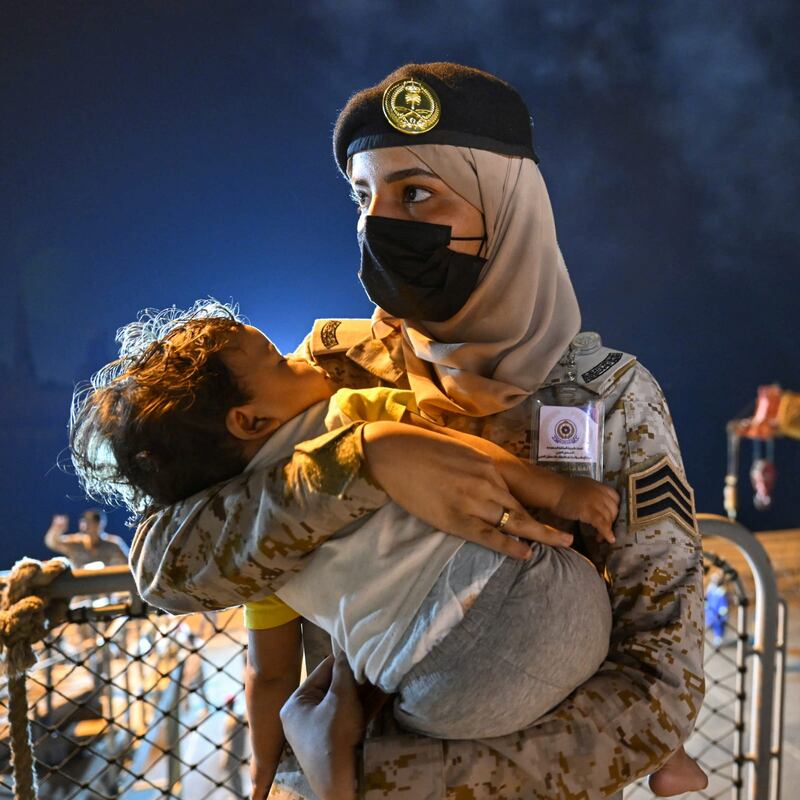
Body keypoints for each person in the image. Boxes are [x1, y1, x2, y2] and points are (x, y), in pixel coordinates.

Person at [128, 63, 707, 799]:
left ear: (505, 208)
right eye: (365, 196)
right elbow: (164, 567)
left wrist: (383, 782)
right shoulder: (334, 369)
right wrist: (361, 462)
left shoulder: (606, 400)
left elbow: (662, 683)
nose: (380, 223)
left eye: (418, 193)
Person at [68, 300, 621, 793]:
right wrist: (561, 490)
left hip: (441, 697)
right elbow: (465, 457)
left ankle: (324, 755)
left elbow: (271, 674)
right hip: (544, 603)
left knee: (322, 693)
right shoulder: (348, 413)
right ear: (250, 420)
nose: (301, 358)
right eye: (280, 362)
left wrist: (263, 766)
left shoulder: (260, 547)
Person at [43, 509, 128, 568]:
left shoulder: (113, 544)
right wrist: (56, 529)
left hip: (103, 586)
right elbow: (52, 543)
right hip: (79, 586)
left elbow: (129, 562)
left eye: (90, 523)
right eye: (85, 522)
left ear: (100, 524)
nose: (86, 526)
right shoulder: (75, 543)